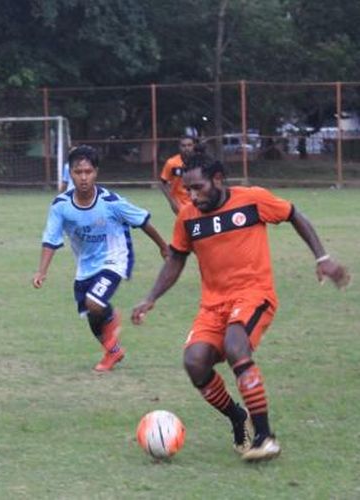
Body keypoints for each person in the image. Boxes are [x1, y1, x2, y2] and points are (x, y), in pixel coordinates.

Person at [131, 153, 350, 461]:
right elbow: (177, 258)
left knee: (236, 345)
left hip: (254, 294)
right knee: (195, 362)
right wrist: (151, 297)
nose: (191, 195)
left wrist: (322, 258)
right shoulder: (188, 217)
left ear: (218, 180)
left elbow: (294, 214)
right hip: (213, 305)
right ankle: (237, 417)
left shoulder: (253, 200)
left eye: (198, 187)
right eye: (187, 189)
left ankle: (264, 436)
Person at [32, 145, 169, 372]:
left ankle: (111, 315)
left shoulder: (111, 202)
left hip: (114, 259)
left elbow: (143, 221)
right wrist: (41, 271)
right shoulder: (61, 206)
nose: (83, 177)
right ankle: (113, 351)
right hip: (85, 266)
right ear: (70, 174)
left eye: (88, 172)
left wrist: (163, 248)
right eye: (78, 172)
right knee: (90, 313)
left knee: (94, 303)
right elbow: (50, 239)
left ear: (96, 172)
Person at [159, 135, 196, 214]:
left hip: (197, 202)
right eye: (183, 146)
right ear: (179, 147)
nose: (186, 148)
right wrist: (172, 202)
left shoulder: (200, 162)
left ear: (194, 146)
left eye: (189, 145)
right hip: (180, 204)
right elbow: (163, 183)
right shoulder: (171, 163)